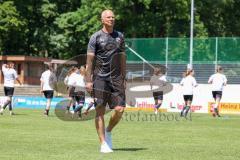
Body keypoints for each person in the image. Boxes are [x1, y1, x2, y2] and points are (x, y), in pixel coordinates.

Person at [85, 9, 126, 153]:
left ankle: (108, 130)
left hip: (116, 79)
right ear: (102, 20)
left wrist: (123, 77)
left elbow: (122, 58)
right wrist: (88, 81)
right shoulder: (95, 37)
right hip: (100, 78)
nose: (112, 19)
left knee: (120, 109)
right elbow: (89, 61)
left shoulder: (120, 36)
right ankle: (103, 143)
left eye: (113, 17)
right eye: (108, 17)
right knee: (100, 111)